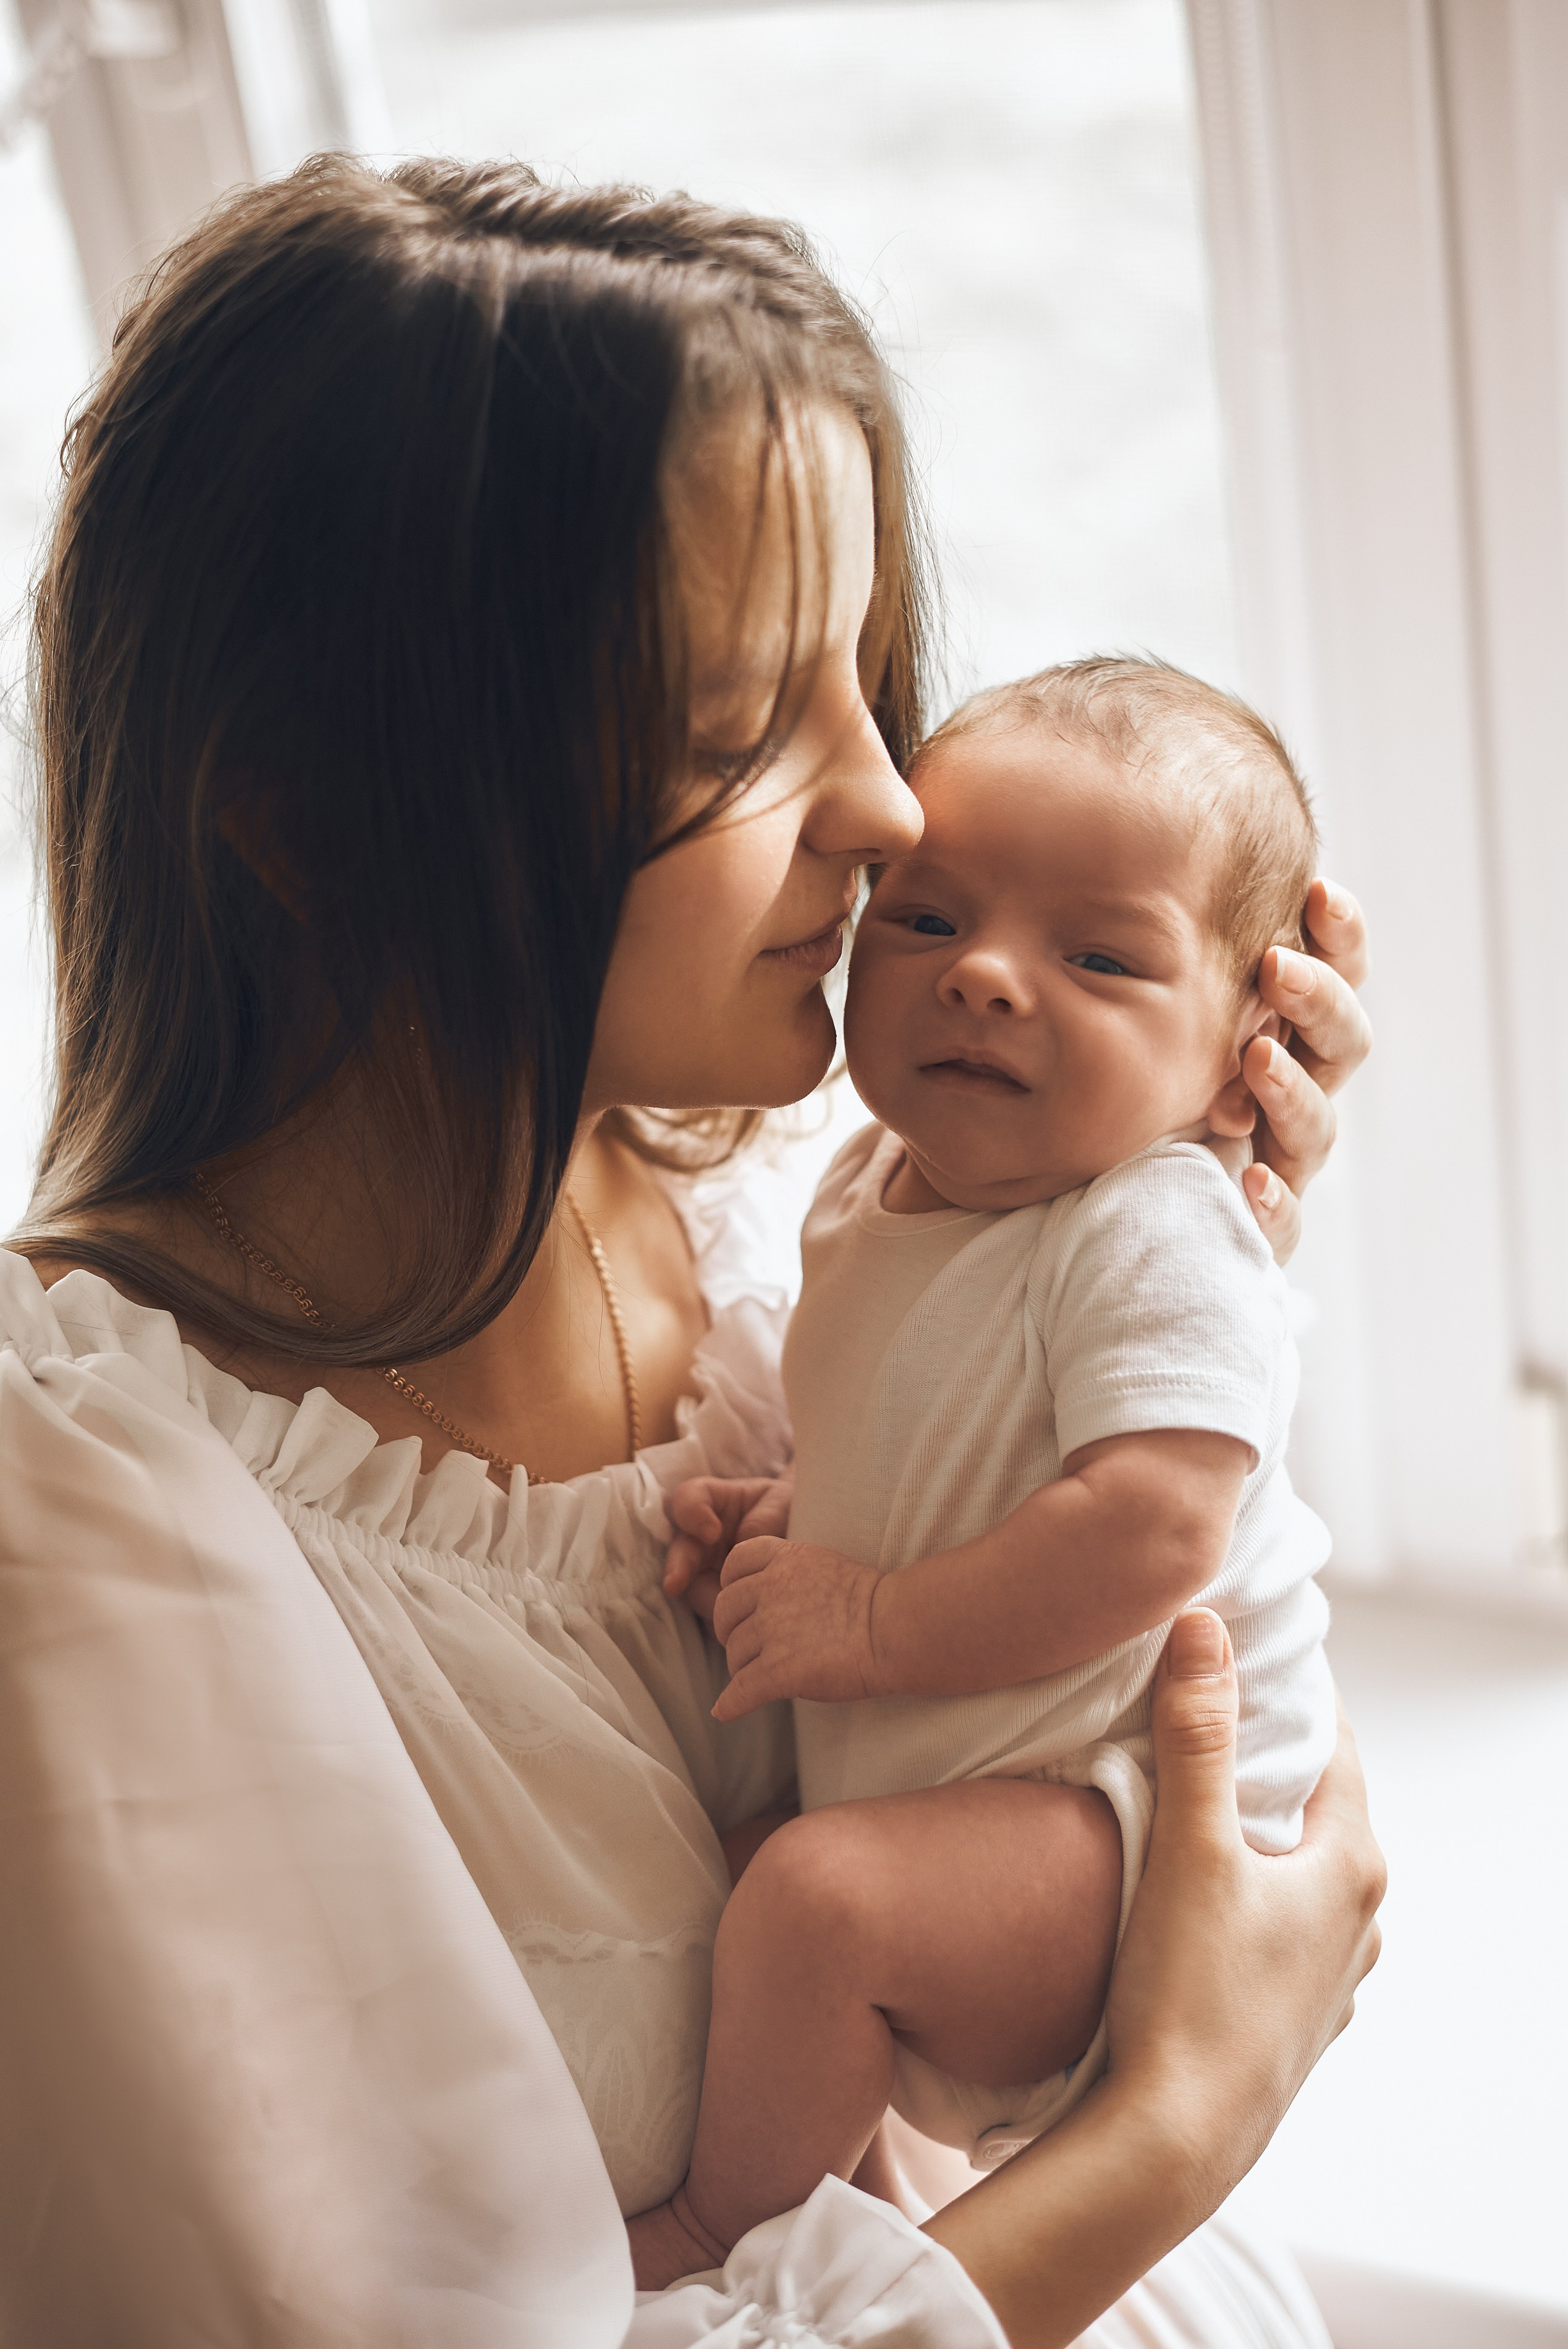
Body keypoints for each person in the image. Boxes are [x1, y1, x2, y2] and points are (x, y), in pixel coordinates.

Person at [0, 154, 1381, 2347]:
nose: (893, 808)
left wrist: (1138, 1209)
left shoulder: (800, 1223)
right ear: (306, 816)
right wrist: (1174, 2125)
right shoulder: (90, 1537)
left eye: (864, 678)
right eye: (738, 723)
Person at [638, 656, 1338, 2285]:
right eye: (929, 921)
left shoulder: (1150, 1221)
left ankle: (725, 2236)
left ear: (1250, 1035)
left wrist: (872, 1620)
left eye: (1097, 955)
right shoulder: (867, 1192)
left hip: (1147, 1827)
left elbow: (1158, 1525)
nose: (986, 982)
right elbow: (949, 1443)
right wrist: (808, 1514)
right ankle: (867, 2210)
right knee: (756, 1893)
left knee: (814, 1900)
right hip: (1001, 1792)